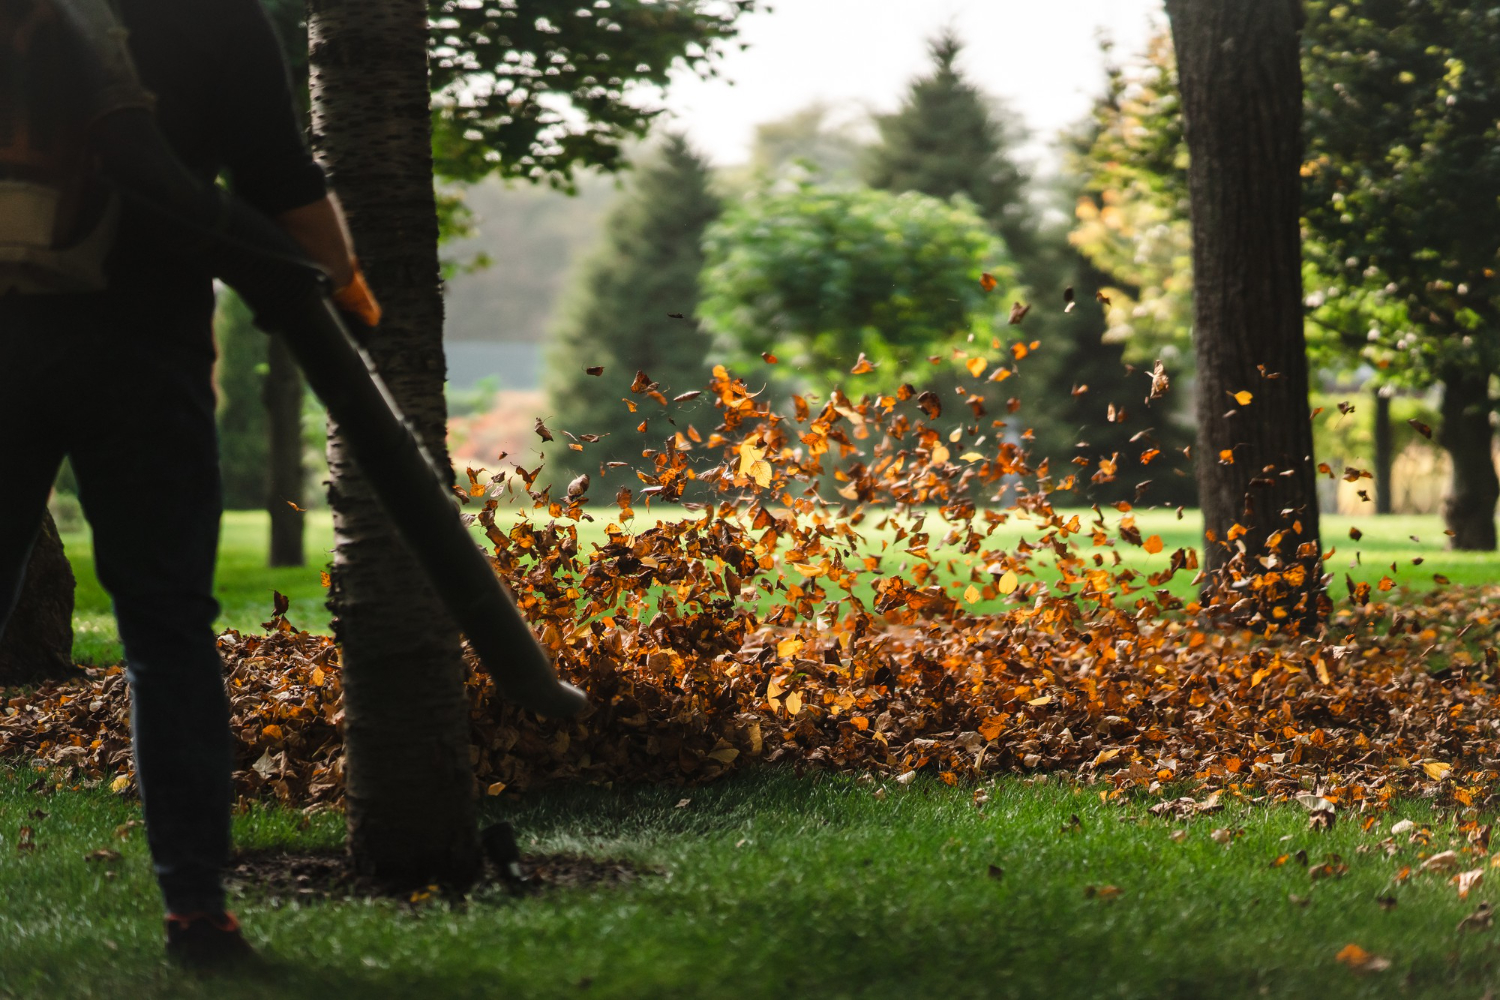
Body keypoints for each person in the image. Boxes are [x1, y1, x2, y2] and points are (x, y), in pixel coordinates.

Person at [0, 0, 373, 966]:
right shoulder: (214, 17)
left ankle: (200, 906)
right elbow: (278, 176)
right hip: (145, 359)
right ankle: (198, 913)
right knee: (167, 633)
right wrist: (339, 283)